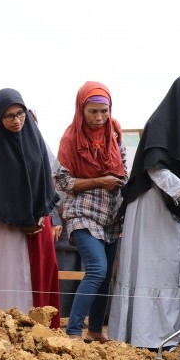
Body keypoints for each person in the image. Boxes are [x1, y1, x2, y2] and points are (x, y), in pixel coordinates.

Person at [109, 72, 180, 349]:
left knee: (172, 266)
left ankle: (170, 333)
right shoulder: (160, 122)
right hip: (151, 205)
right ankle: (144, 335)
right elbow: (154, 168)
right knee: (151, 266)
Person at [0, 89, 61, 326]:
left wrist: (41, 214)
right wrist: (20, 220)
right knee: (7, 279)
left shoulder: (35, 140)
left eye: (20, 114)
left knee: (38, 277)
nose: (16, 120)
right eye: (8, 116)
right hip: (6, 228)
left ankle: (39, 332)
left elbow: (46, 181)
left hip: (38, 225)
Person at [54, 81, 128, 342]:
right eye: (92, 112)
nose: (99, 118)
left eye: (103, 111)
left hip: (111, 211)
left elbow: (124, 169)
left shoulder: (115, 132)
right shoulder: (70, 138)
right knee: (97, 268)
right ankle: (73, 331)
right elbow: (62, 182)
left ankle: (95, 330)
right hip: (82, 209)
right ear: (81, 110)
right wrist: (100, 181)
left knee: (106, 275)